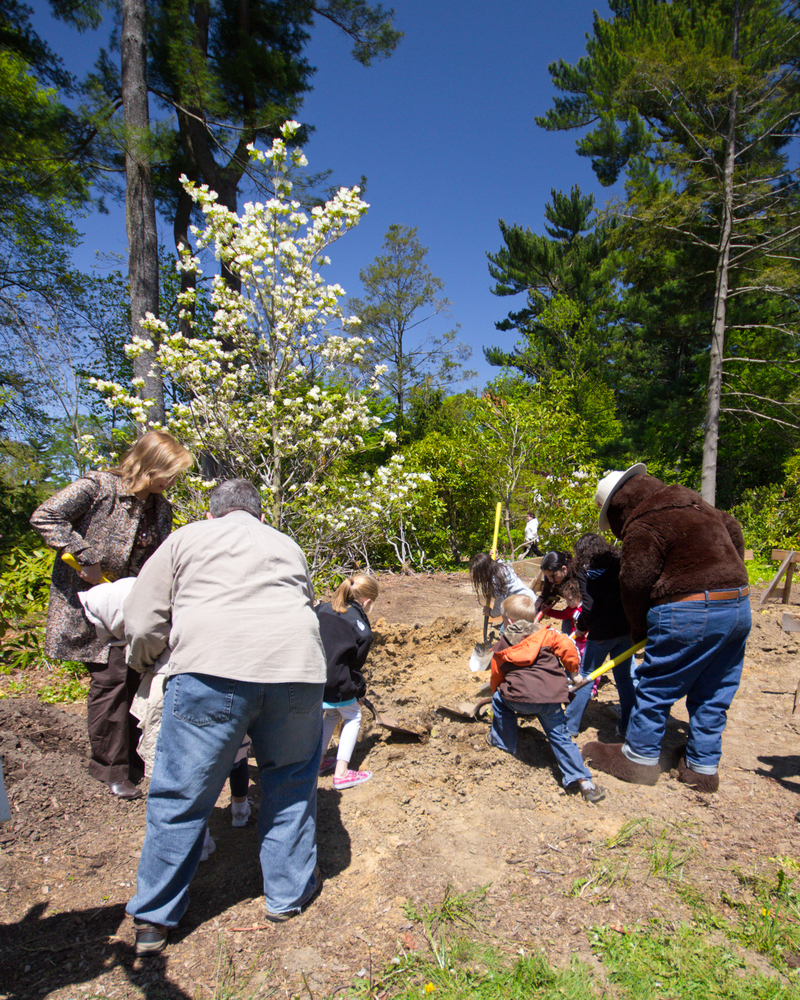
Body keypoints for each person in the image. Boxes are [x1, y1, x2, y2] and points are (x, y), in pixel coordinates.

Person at [29, 431, 193, 799]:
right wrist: (84, 554)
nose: (172, 480)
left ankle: (134, 761)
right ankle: (110, 769)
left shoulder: (159, 507)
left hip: (127, 606)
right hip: (85, 605)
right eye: (169, 472)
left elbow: (155, 563)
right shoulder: (98, 486)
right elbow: (46, 515)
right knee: (111, 680)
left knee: (136, 676)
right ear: (149, 464)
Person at [581, 464, 751, 793]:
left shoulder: (642, 522)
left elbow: (634, 581)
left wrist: (639, 630)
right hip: (737, 606)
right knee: (715, 690)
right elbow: (733, 528)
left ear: (617, 508)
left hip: (687, 608)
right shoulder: (692, 500)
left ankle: (640, 759)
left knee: (656, 686)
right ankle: (702, 767)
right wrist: (727, 576)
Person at [486, 595, 606, 803]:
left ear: (511, 622)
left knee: (498, 700)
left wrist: (498, 691)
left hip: (517, 699)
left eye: (505, 621)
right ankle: (585, 783)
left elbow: (497, 675)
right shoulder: (548, 635)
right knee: (560, 736)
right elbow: (568, 647)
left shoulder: (502, 645)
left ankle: (505, 742)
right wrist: (574, 673)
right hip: (551, 699)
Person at [564, 533, 635, 739]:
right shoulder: (619, 564)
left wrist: (582, 628)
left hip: (601, 633)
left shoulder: (585, 573)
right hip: (625, 630)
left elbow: (589, 606)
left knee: (587, 676)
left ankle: (570, 726)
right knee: (624, 679)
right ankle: (627, 727)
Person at [316, 573, 378, 790]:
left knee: (332, 713)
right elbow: (354, 666)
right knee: (353, 716)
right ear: (366, 601)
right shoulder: (362, 629)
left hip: (314, 678)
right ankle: (341, 773)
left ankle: (319, 761)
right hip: (336, 681)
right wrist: (359, 690)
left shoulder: (321, 609)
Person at [469, 551, 536, 620]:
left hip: (523, 606)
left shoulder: (496, 582)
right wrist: (497, 558)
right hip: (530, 598)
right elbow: (499, 562)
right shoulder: (503, 567)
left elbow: (500, 608)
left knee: (504, 630)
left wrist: (489, 613)